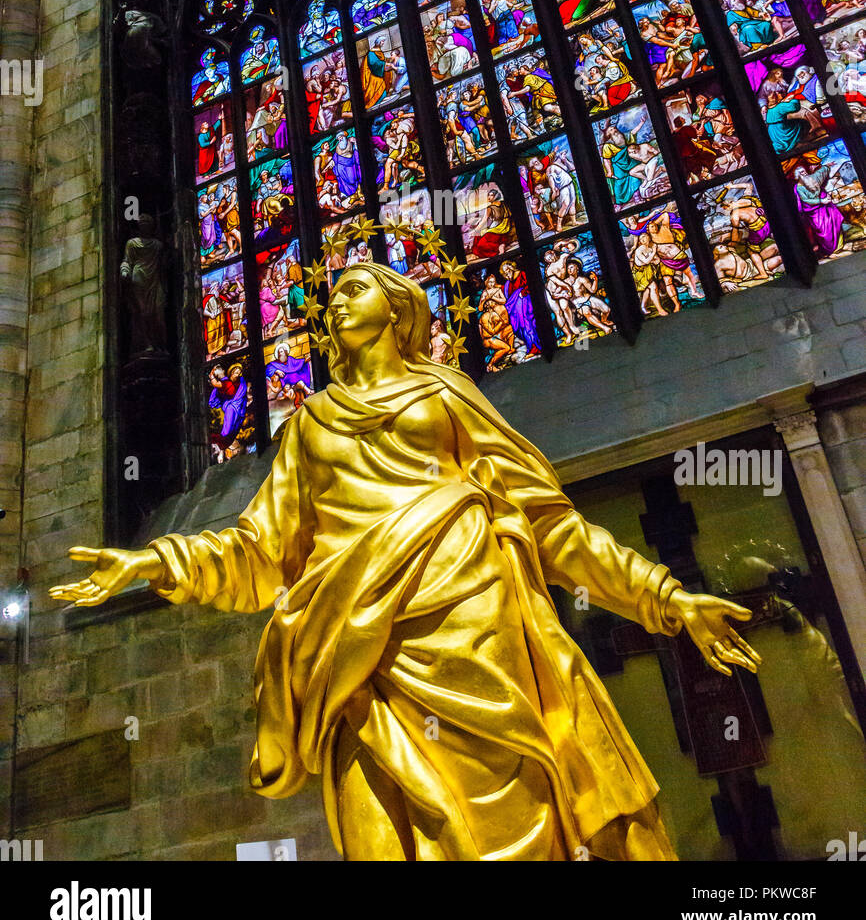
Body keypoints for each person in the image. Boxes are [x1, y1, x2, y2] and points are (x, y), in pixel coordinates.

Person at [53, 266, 760, 861]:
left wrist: (666, 599)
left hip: (476, 637)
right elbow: (261, 550)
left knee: (517, 828)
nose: (336, 301)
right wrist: (154, 562)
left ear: (398, 310)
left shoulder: (447, 395)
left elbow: (551, 527)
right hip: (358, 668)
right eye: (332, 296)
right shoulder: (310, 425)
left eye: (356, 288)